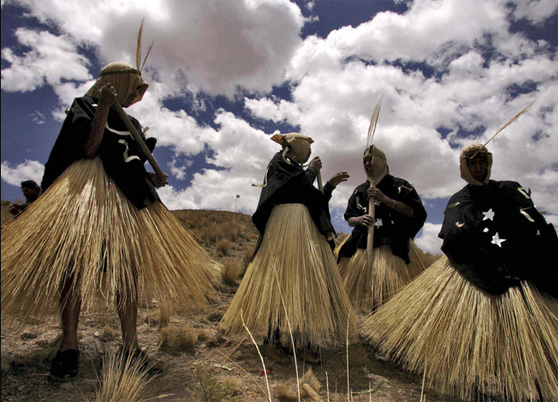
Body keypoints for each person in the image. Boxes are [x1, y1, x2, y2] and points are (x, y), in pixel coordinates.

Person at [1, 60, 217, 382]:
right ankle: (69, 347)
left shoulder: (130, 122)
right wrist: (102, 107)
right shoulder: (84, 106)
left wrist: (150, 178)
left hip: (122, 203)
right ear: (115, 82)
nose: (135, 96)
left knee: (128, 272)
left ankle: (131, 347)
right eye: (132, 88)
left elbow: (126, 160)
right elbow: (89, 149)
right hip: (85, 196)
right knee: (73, 269)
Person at [363, 143, 558, 401]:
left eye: (482, 162)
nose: (479, 168)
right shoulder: (458, 201)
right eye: (473, 164)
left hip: (520, 267)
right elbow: (453, 233)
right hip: (473, 269)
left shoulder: (508, 189)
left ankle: (539, 380)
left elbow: (530, 220)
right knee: (473, 328)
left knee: (527, 330)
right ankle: (467, 371)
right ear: (464, 168)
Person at [220, 133, 358, 364]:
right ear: (299, 147)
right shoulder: (280, 163)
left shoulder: (296, 169)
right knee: (282, 282)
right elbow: (291, 188)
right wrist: (312, 170)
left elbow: (311, 199)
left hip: (304, 229)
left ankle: (300, 342)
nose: (310, 156)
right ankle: (273, 341)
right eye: (308, 151)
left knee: (303, 285)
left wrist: (330, 186)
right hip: (285, 226)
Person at [337, 145, 428, 313]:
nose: (368, 164)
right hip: (362, 248)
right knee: (359, 294)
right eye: (364, 161)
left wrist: (384, 198)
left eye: (371, 160)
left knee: (393, 297)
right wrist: (359, 219)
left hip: (393, 249)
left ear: (382, 161)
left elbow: (414, 212)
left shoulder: (400, 186)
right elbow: (349, 217)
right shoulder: (359, 191)